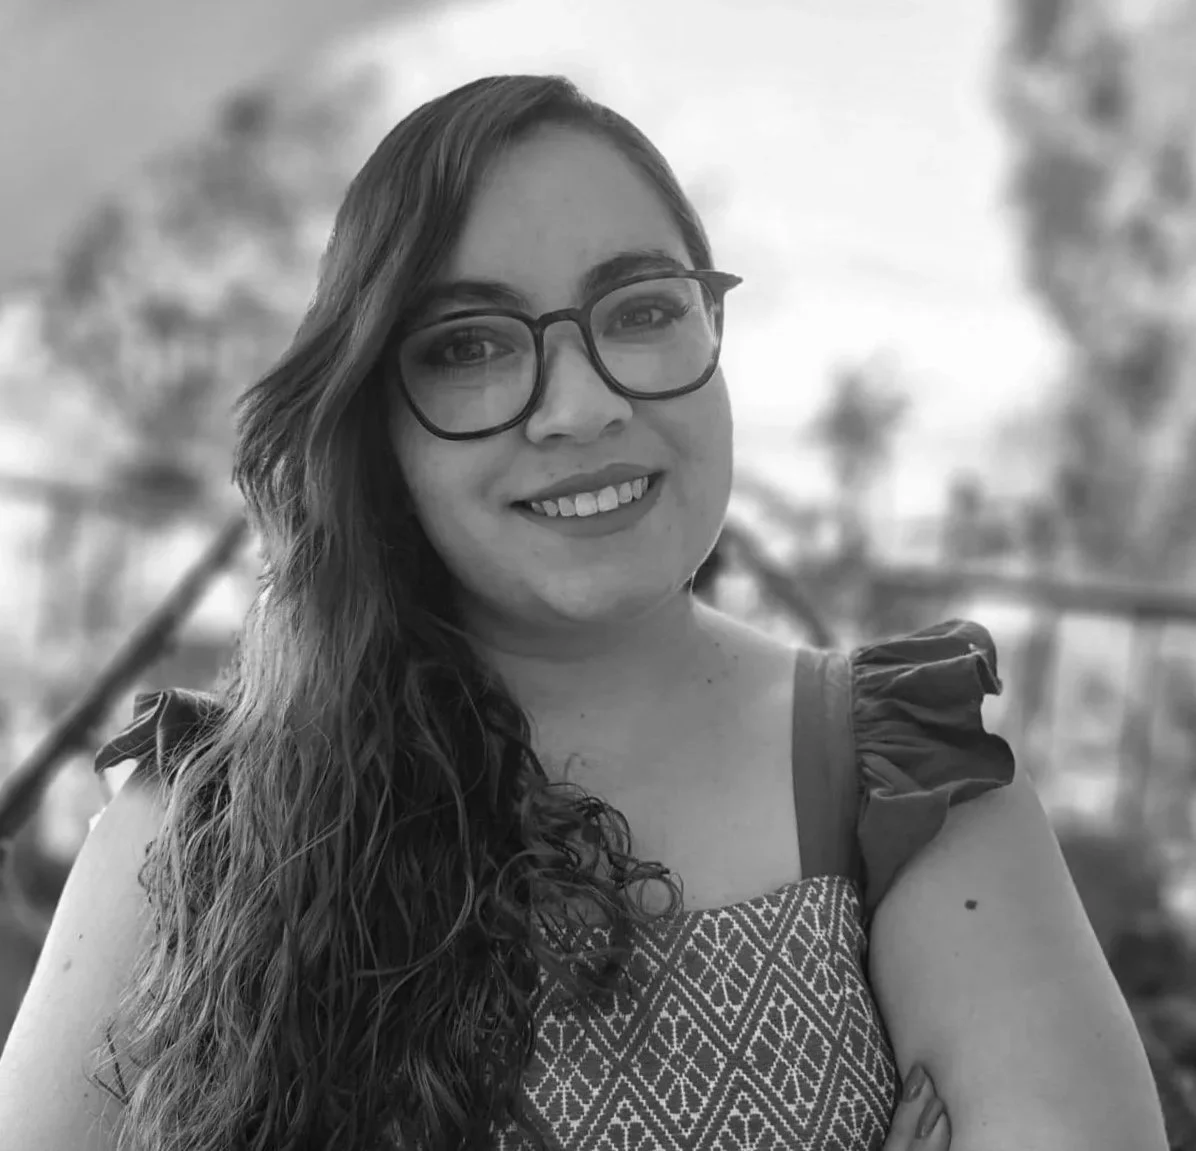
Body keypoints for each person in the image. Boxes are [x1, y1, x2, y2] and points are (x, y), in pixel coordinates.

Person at [0, 75, 1168, 1151]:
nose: (581, 404)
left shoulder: (903, 784)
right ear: (375, 419)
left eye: (642, 309)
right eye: (468, 345)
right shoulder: (198, 826)